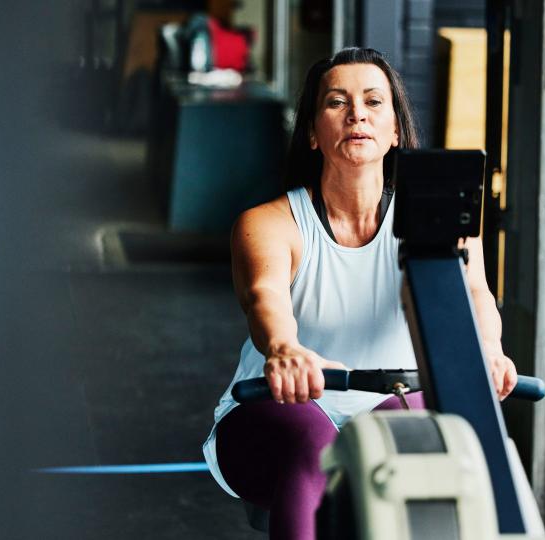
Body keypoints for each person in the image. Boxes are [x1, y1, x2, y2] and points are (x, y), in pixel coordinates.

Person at [201, 48, 517, 540]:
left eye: (373, 102)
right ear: (311, 132)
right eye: (336, 102)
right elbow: (264, 297)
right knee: (315, 442)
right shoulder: (270, 223)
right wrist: (284, 350)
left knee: (417, 441)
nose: (357, 115)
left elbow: (474, 293)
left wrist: (490, 352)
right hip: (275, 411)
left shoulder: (439, 221)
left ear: (395, 130)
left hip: (387, 398)